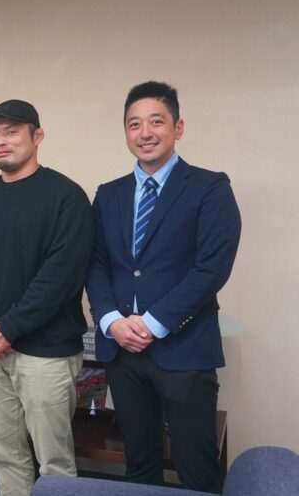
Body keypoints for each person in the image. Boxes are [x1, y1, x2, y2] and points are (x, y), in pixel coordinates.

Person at [85, 81, 241, 492]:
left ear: (178, 127)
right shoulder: (109, 195)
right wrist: (111, 321)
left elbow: (212, 269)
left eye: (156, 122)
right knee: (139, 464)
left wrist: (153, 323)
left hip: (184, 349)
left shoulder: (210, 188)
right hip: (122, 351)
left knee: (196, 468)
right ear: (126, 132)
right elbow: (96, 264)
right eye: (134, 124)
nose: (145, 133)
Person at [0, 99, 94, 495]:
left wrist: (7, 328)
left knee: (55, 464)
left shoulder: (66, 197)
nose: (1, 141)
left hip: (46, 352)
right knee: (5, 456)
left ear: (37, 136)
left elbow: (60, 278)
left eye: (11, 132)